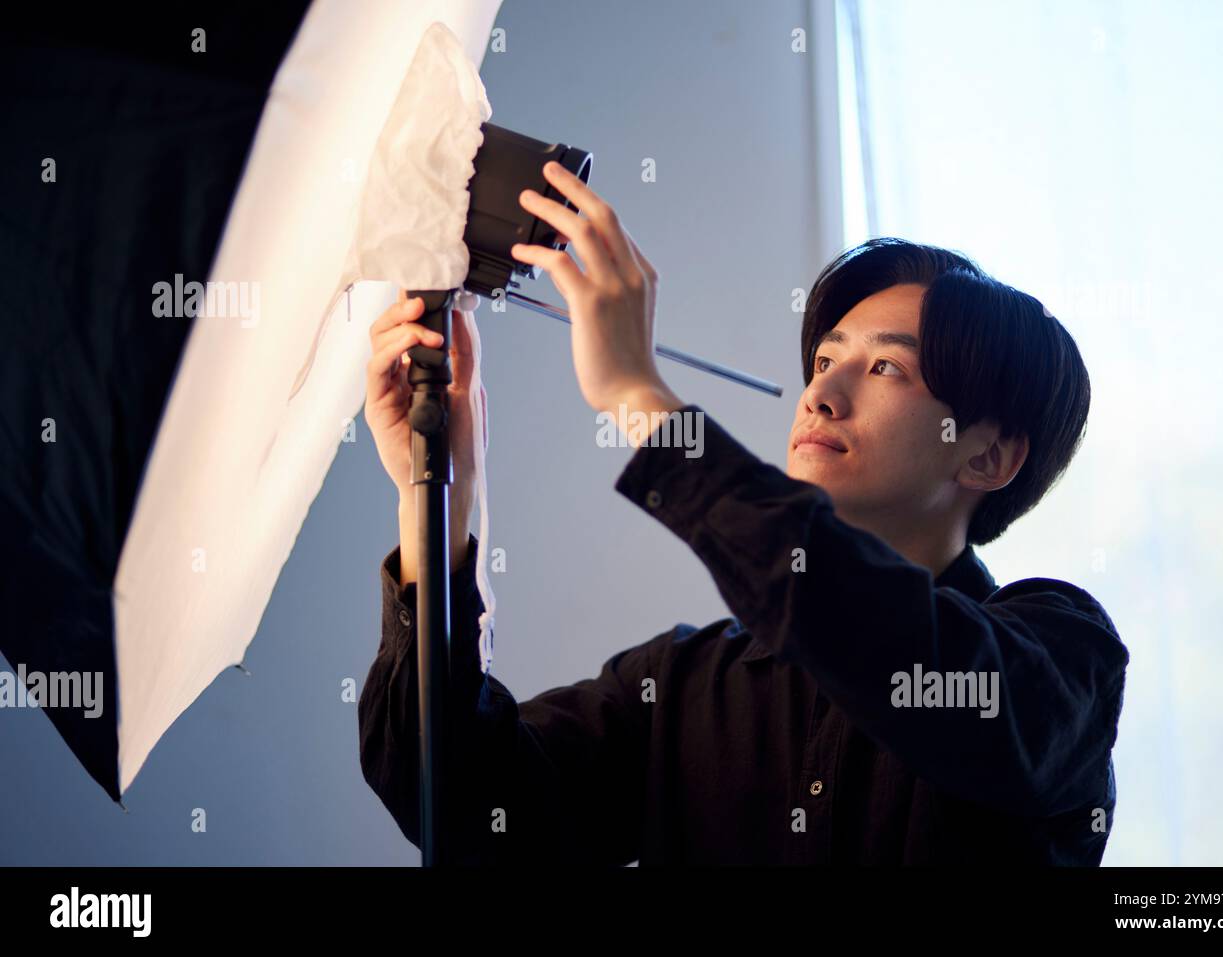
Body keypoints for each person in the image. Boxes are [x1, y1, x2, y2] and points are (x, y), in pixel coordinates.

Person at [357, 160, 1129, 865]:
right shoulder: (681, 684)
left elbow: (898, 654)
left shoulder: (1063, 659)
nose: (822, 393)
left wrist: (640, 397)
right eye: (826, 360)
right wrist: (441, 497)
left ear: (988, 456)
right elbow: (459, 806)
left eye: (887, 366)